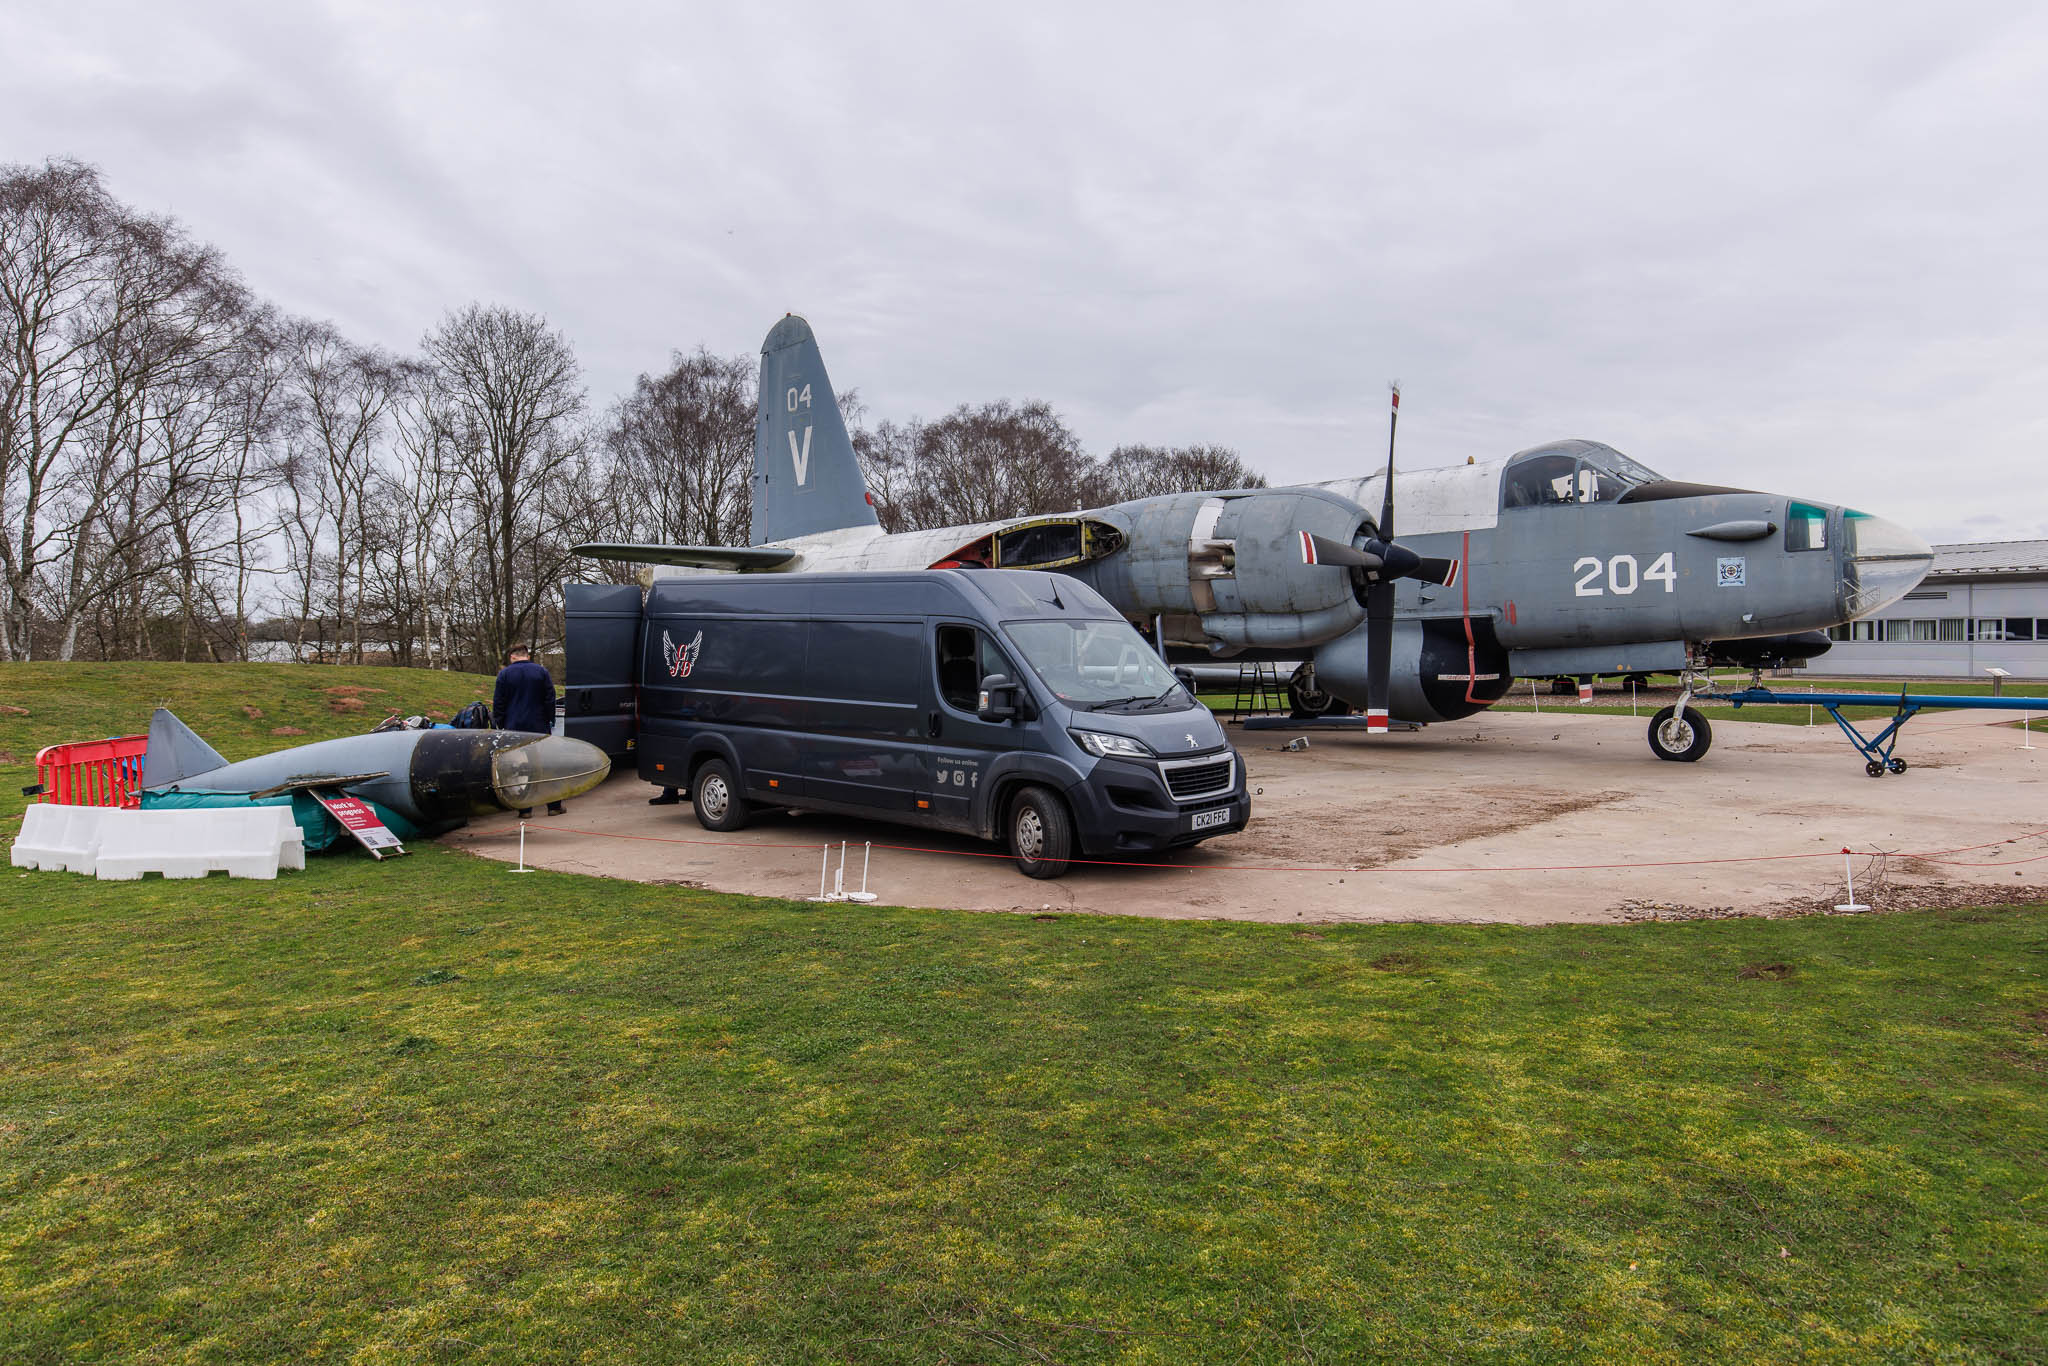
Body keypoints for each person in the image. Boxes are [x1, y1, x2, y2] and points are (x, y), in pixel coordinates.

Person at [493, 645, 566, 817]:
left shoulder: (504, 674)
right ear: (527, 655)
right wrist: (550, 718)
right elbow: (550, 697)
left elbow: (499, 702)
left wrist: (501, 723)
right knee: (546, 764)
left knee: (521, 766)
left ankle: (525, 809)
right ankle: (554, 806)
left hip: (514, 726)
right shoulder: (541, 672)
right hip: (539, 724)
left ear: (512, 657)